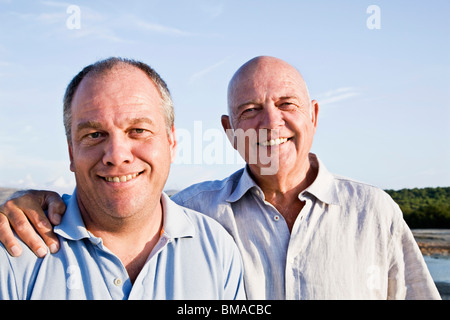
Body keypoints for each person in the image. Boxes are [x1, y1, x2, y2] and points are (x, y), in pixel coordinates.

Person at [0, 56, 440, 299]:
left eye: (287, 104)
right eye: (250, 111)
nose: (270, 123)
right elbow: (128, 204)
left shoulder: (374, 212)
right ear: (230, 132)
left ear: (314, 116)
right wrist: (25, 202)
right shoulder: (196, 214)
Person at [0, 57, 245, 299]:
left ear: (171, 142)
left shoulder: (217, 249)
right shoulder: (13, 254)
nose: (116, 155)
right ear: (71, 152)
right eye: (95, 134)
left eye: (138, 131)